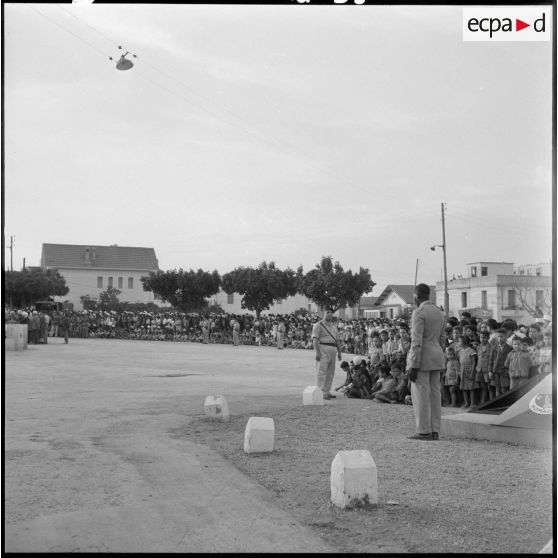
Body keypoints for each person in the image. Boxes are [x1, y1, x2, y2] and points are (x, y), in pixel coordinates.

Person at [407, 283, 446, 441]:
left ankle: (423, 430)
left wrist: (413, 363)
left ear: (416, 296)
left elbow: (416, 341)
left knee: (421, 395)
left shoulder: (419, 313)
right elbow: (442, 338)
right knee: (435, 394)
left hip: (422, 357)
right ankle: (435, 430)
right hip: (437, 355)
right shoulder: (439, 312)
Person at [312, 308, 342, 400]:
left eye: (331, 313)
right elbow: (315, 339)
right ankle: (320, 391)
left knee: (330, 372)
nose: (329, 314)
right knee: (322, 370)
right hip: (323, 347)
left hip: (333, 348)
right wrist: (317, 352)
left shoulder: (334, 326)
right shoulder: (318, 325)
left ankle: (327, 391)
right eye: (327, 312)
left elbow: (337, 340)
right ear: (323, 313)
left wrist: (339, 352)